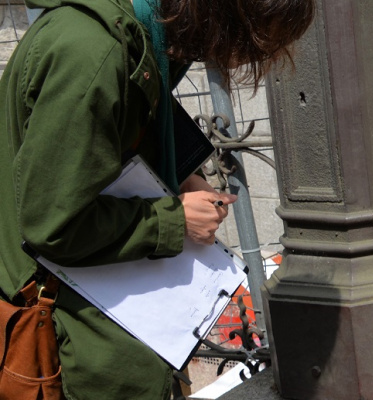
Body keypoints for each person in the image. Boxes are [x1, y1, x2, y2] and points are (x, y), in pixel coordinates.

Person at [0, 0, 314, 398]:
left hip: (116, 317)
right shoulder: (92, 53)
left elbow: (122, 120)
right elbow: (54, 223)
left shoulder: (142, 30)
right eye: (252, 38)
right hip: (78, 336)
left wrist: (184, 174)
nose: (240, 60)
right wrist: (174, 220)